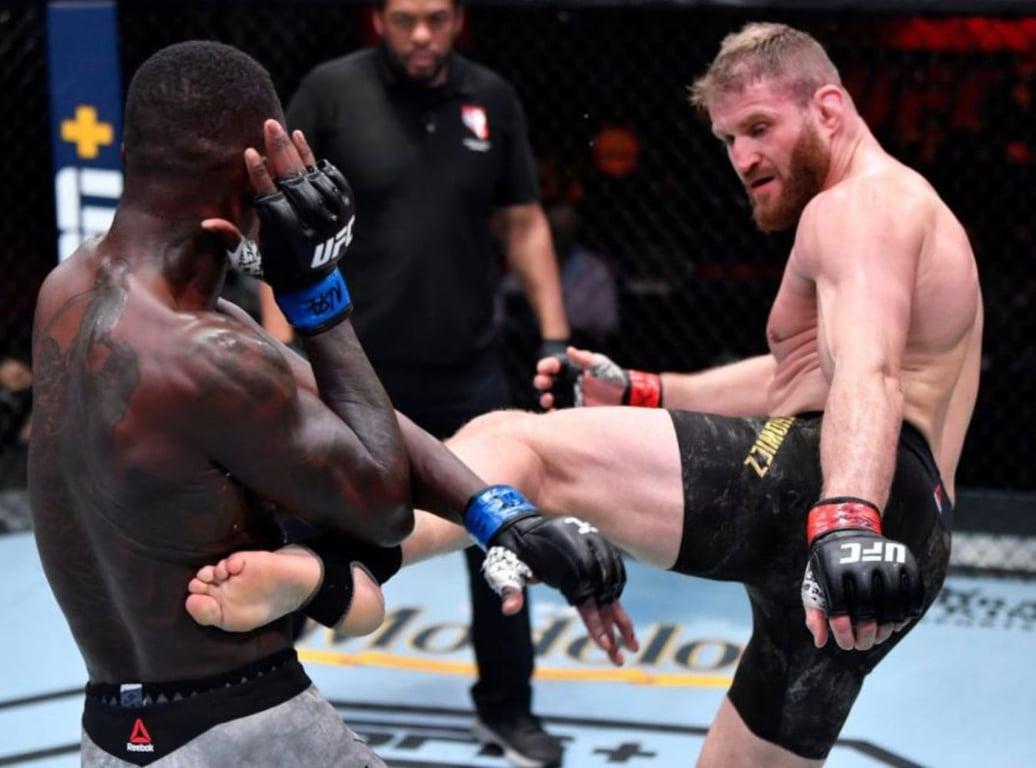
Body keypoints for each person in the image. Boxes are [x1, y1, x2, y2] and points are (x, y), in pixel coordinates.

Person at [206, 22, 982, 766]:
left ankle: (321, 567)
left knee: (524, 447)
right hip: (906, 536)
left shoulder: (859, 206)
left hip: (849, 496)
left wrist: (846, 515)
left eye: (757, 127)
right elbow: (800, 377)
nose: (742, 157)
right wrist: (649, 391)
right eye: (727, 141)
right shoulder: (899, 210)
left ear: (829, 107)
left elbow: (868, 374)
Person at [27, 40, 631, 767]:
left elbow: (302, 386)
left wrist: (497, 513)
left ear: (133, 149)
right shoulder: (209, 355)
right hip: (245, 729)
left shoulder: (69, 290)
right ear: (247, 189)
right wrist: (320, 298)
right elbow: (382, 505)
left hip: (113, 735)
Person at [259, 1, 573, 763]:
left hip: (468, 365)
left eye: (437, 18)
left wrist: (557, 333)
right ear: (377, 18)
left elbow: (523, 219)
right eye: (406, 20)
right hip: (350, 369)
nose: (423, 36)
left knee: (497, 531)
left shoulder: (490, 98)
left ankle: (507, 705)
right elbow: (277, 221)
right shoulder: (330, 92)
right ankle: (257, 694)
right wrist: (274, 351)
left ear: (459, 17)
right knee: (300, 534)